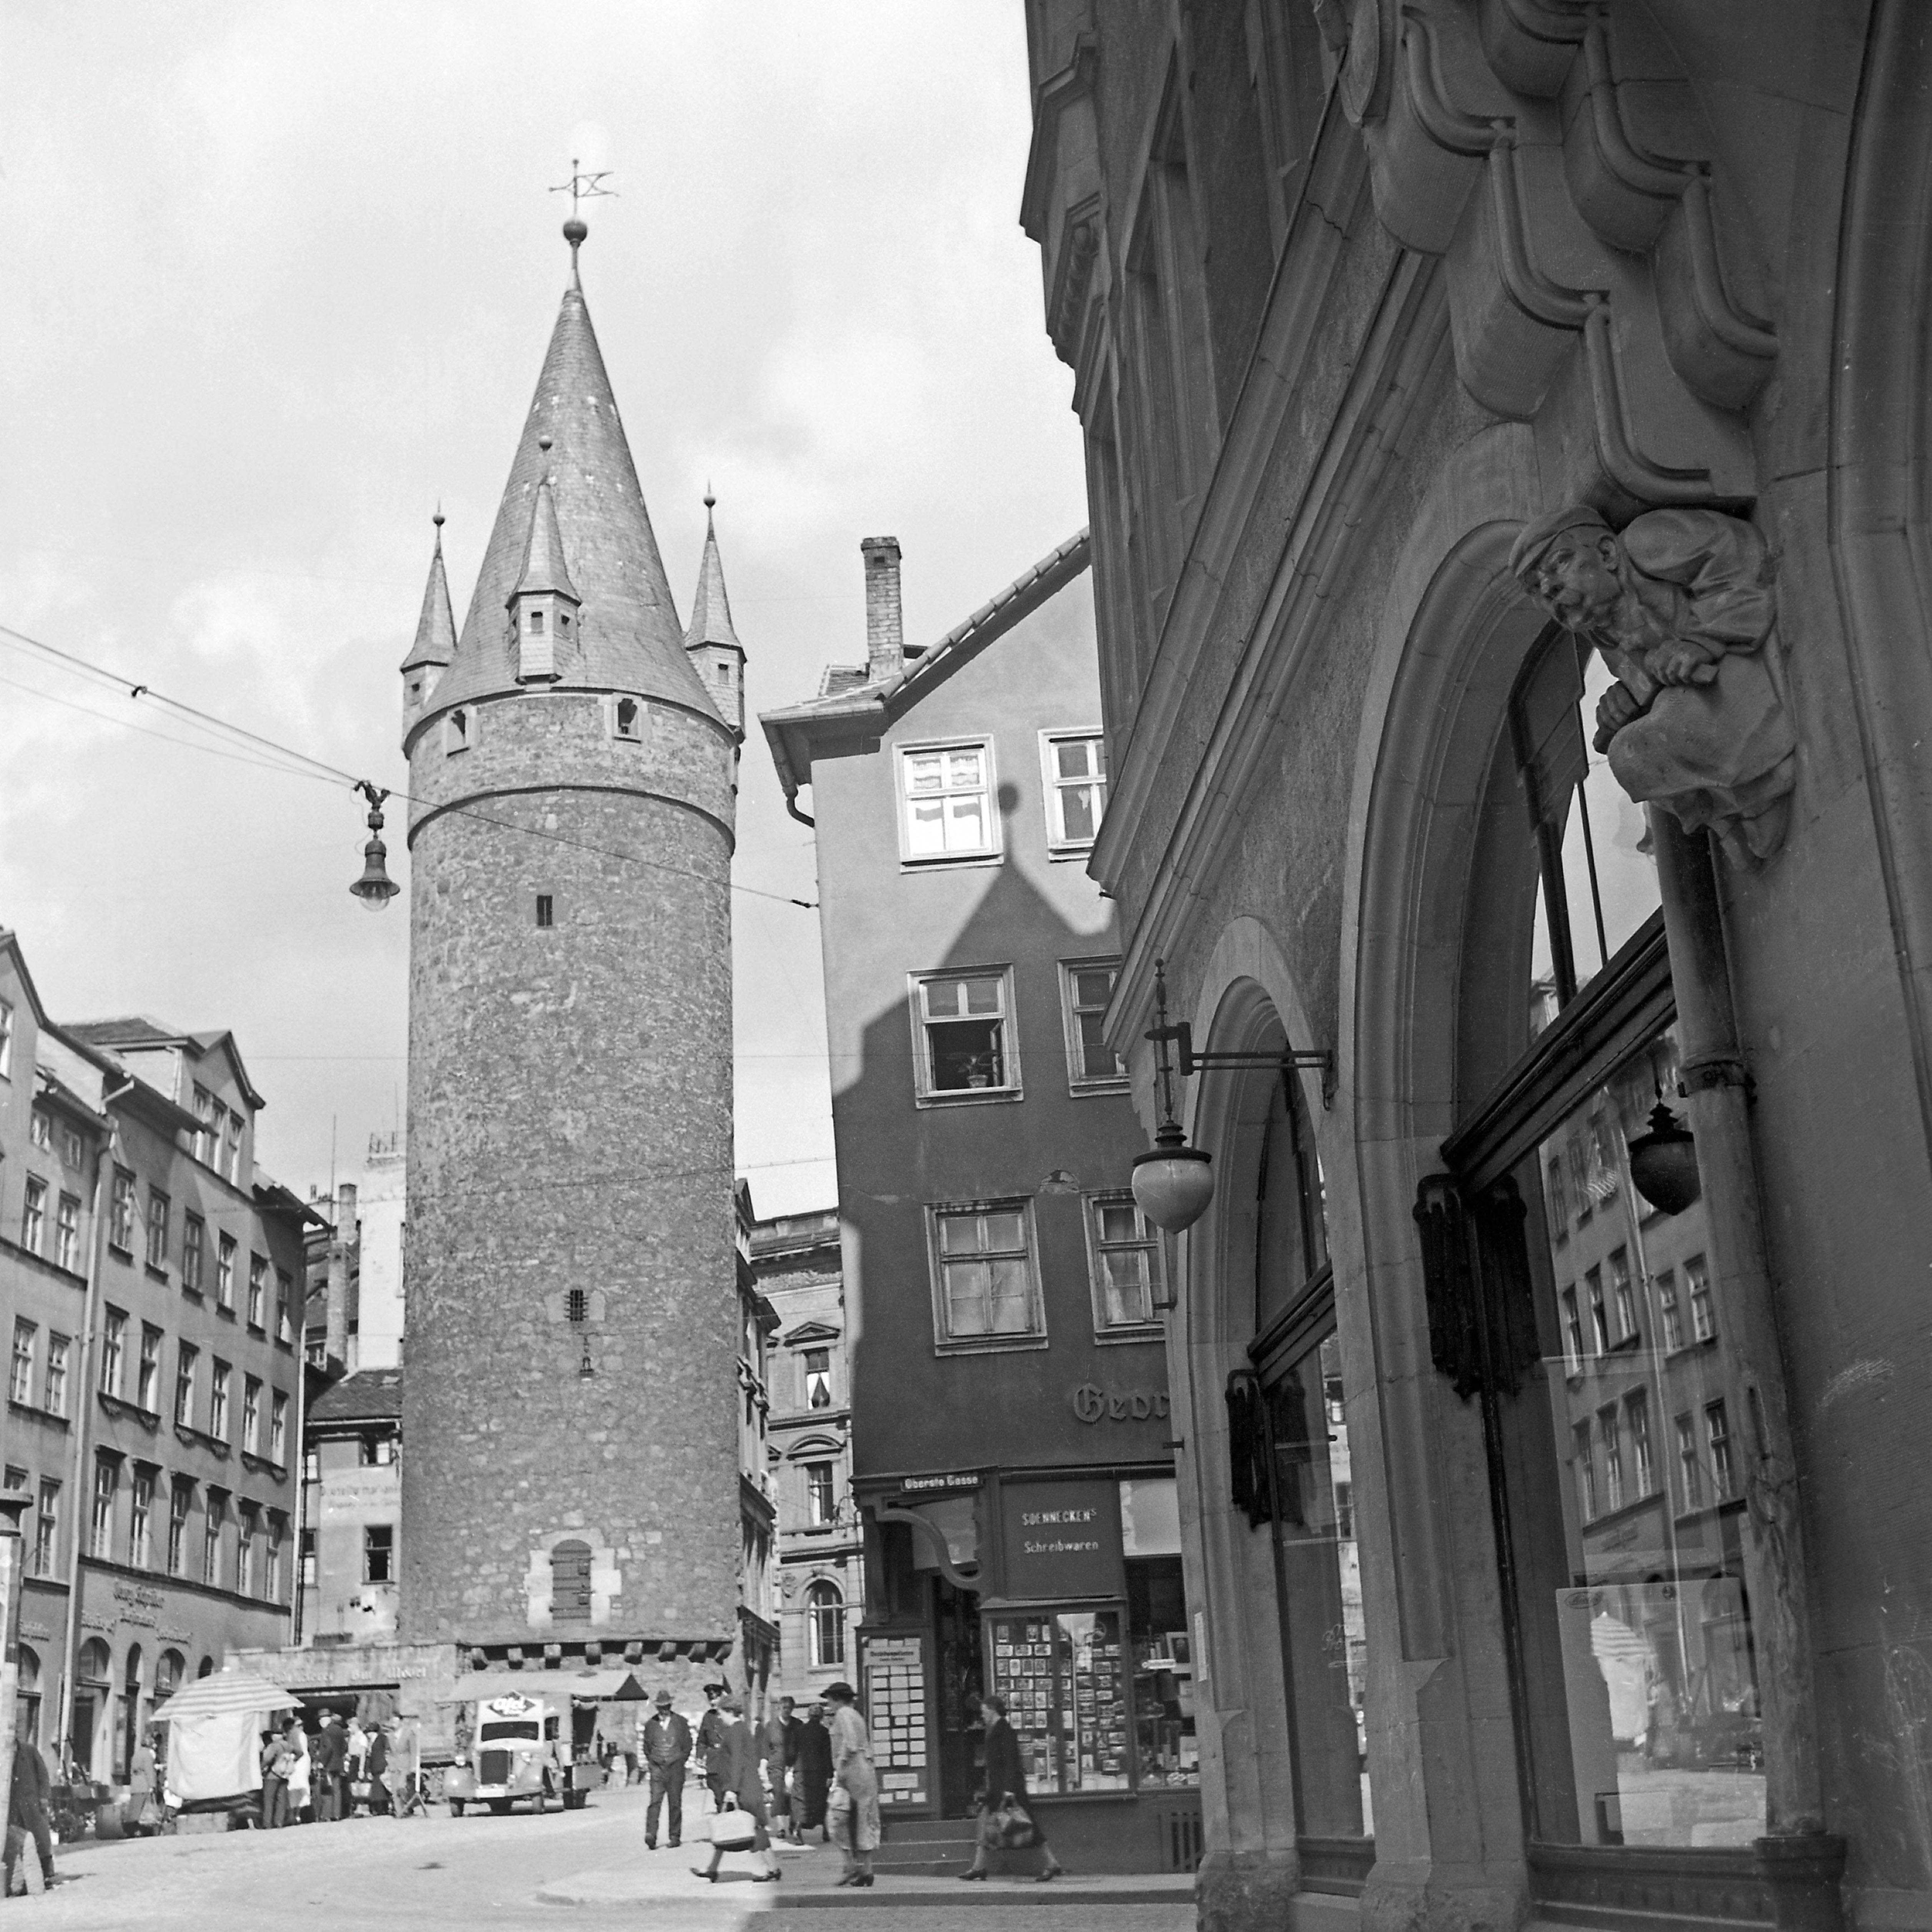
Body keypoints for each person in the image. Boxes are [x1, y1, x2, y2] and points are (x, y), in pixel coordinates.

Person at [959, 1693, 1063, 1882]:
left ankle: (1052, 1863)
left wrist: (1008, 1790)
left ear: (992, 1711)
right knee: (986, 1821)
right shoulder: (996, 1730)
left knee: (1031, 1828)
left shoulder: (1005, 1731)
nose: (982, 1716)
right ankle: (979, 1867)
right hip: (999, 1789)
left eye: (984, 1712)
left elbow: (1011, 1762)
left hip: (1009, 1789)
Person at [689, 1695, 777, 1885]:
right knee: (728, 1828)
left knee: (753, 1830)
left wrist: (732, 1789)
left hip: (743, 1788)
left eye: (721, 1713)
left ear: (729, 1711)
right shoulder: (739, 1730)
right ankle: (713, 1869)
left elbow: (737, 1762)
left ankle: (769, 1870)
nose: (719, 1717)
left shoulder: (736, 1731)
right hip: (745, 1786)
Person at [822, 1680, 879, 1887]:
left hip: (853, 1772)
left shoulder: (844, 1714)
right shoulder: (855, 1714)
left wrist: (839, 1766)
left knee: (838, 1818)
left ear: (837, 1699)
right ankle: (866, 1870)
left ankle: (851, 1866)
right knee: (862, 1819)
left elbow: (851, 1744)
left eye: (829, 1699)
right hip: (864, 1771)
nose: (828, 1703)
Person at [3, 1736, 57, 1894]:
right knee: (18, 1843)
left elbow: (43, 1775)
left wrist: (44, 1797)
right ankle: (22, 1879)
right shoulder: (4, 1753)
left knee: (41, 1839)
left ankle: (46, 1875)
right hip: (12, 1807)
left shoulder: (29, 1751)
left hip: (32, 1804)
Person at [640, 1689, 692, 1851]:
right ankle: (651, 1835)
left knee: (675, 1803)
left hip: (676, 1767)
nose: (663, 1711)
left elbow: (688, 1746)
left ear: (670, 1706)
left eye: (666, 1707)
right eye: (660, 1708)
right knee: (655, 1802)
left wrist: (679, 1760)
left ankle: (675, 1836)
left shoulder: (681, 1722)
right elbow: (647, 1747)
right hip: (657, 1768)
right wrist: (654, 1762)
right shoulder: (650, 1725)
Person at [760, 1696, 799, 1842]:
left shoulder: (798, 1725)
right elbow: (765, 1748)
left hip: (793, 1766)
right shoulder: (771, 1726)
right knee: (779, 1796)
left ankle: (793, 1824)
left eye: (789, 1708)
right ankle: (781, 1827)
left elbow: (802, 1747)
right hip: (775, 1766)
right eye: (784, 1708)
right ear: (779, 1709)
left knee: (794, 1796)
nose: (787, 1711)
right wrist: (763, 1768)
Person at [792, 1702, 833, 1841]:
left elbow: (792, 1752)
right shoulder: (824, 1732)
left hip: (801, 1771)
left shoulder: (799, 1731)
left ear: (808, 1715)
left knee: (800, 1800)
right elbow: (827, 1754)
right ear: (821, 1717)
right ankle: (825, 1830)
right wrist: (830, 1775)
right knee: (820, 1800)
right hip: (819, 1772)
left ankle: (798, 1828)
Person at [694, 1683, 730, 1811]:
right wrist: (699, 1758)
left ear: (722, 1698)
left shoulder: (730, 1715)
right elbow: (702, 1741)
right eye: (711, 1700)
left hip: (728, 1761)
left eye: (715, 1699)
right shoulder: (708, 1717)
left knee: (730, 1796)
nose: (713, 1703)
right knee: (719, 1796)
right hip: (713, 1763)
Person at [312, 1710, 346, 1822]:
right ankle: (337, 1814)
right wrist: (340, 1758)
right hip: (338, 1763)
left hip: (329, 1764)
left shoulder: (326, 1731)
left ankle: (328, 1814)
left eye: (320, 1720)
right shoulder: (339, 1730)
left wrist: (322, 1762)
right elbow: (343, 1747)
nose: (319, 1722)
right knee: (337, 1789)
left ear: (325, 1720)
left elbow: (328, 1748)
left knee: (328, 1790)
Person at [260, 1721, 294, 1829]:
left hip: (272, 1775)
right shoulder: (288, 1745)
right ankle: (279, 1822)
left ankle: (267, 1823)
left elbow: (267, 1759)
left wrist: (261, 1768)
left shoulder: (273, 1746)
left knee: (269, 1800)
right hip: (284, 1775)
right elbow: (300, 1753)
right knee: (281, 1800)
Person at [392, 1714, 425, 1817]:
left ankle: (408, 1808)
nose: (394, 1724)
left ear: (401, 1722)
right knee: (394, 1790)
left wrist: (414, 1766)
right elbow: (390, 1752)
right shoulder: (391, 1736)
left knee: (402, 1787)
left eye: (396, 1722)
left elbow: (414, 1750)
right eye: (392, 1722)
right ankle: (399, 1812)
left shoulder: (409, 1734)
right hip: (395, 1765)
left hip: (406, 1765)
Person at [285, 1723, 312, 1825]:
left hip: (299, 1763)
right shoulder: (303, 1734)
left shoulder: (293, 1733)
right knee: (304, 1786)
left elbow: (298, 1751)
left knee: (294, 1788)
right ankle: (304, 1813)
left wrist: (291, 1760)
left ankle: (297, 1815)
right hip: (306, 1762)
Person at [365, 1718, 390, 1816]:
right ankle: (381, 1809)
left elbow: (387, 1751)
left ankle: (383, 1809)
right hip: (375, 1767)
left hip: (382, 1766)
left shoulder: (382, 1738)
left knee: (382, 1790)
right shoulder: (371, 1742)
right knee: (378, 1791)